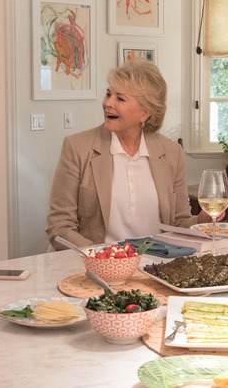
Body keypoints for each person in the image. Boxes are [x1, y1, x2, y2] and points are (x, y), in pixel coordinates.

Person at [46, 60, 210, 250]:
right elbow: (59, 226)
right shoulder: (77, 147)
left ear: (145, 113)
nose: (108, 104)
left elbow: (178, 222)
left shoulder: (172, 153)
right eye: (108, 94)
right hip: (96, 265)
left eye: (120, 99)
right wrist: (102, 256)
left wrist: (200, 221)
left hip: (155, 263)